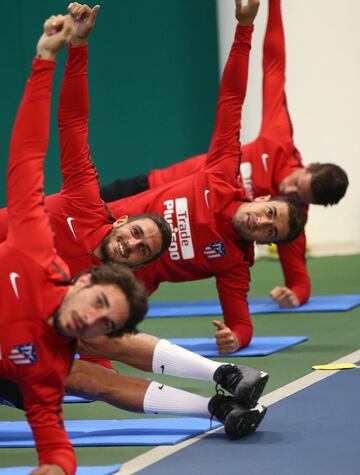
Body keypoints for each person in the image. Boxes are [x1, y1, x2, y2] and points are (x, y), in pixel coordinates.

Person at [1, 0, 269, 444]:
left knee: (91, 368)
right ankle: (219, 383)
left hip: (25, 334)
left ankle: (220, 393)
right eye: (136, 234)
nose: (133, 246)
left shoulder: (94, 288)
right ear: (122, 218)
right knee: (85, 365)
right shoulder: (81, 204)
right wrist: (77, 48)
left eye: (143, 251)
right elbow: (72, 123)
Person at [101, 0, 348, 309]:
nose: (287, 191)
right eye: (297, 183)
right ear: (307, 165)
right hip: (148, 188)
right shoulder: (278, 142)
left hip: (147, 252)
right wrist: (273, 6)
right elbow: (274, 66)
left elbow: (299, 278)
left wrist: (295, 293)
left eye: (299, 197)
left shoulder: (285, 218)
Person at [0, 14, 149, 475]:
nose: (93, 316)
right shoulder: (32, 247)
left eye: (104, 322)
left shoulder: (47, 366)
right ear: (83, 281)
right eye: (100, 302)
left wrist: (58, 467)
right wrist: (49, 58)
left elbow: (53, 435)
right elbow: (30, 152)